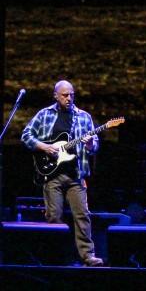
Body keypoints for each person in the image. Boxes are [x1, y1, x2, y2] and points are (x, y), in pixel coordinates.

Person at [21, 80, 105, 266]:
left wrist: (91, 144)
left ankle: (88, 256)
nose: (69, 98)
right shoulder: (44, 114)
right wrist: (44, 147)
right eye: (65, 95)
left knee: (82, 215)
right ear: (56, 96)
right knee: (54, 216)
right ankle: (54, 256)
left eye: (72, 94)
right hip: (52, 175)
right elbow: (26, 135)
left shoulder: (84, 117)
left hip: (76, 174)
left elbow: (95, 145)